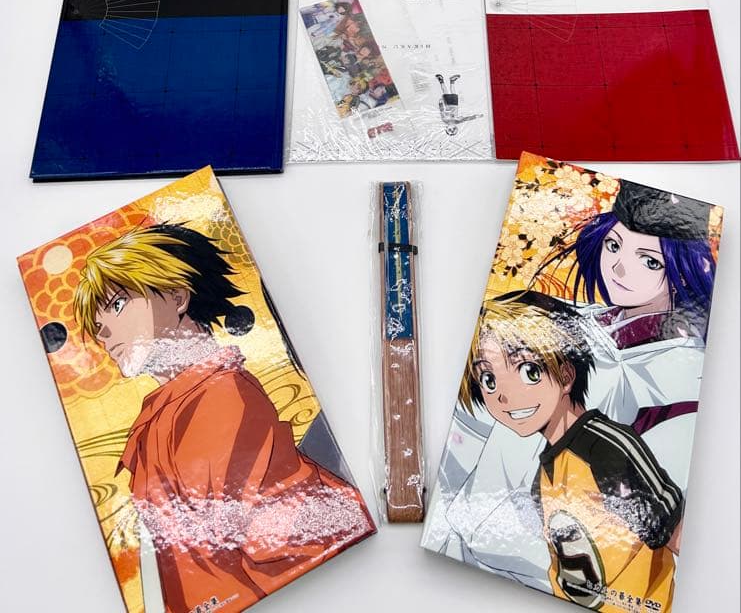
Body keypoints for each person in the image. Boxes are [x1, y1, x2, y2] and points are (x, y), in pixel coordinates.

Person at [428, 180, 715, 590]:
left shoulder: (670, 370)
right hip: (486, 528)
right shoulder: (583, 320)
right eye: (613, 246)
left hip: (576, 553)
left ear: (680, 269)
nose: (619, 268)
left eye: (649, 261)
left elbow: (660, 519)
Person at [73, 223, 373, 613]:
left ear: (178, 297)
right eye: (97, 324)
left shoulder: (218, 396)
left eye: (117, 305)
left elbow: (281, 531)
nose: (104, 333)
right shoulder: (165, 412)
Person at [460, 292, 682, 611]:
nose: (504, 396)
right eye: (489, 379)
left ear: (566, 375)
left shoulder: (607, 448)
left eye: (528, 371)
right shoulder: (544, 474)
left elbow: (675, 532)